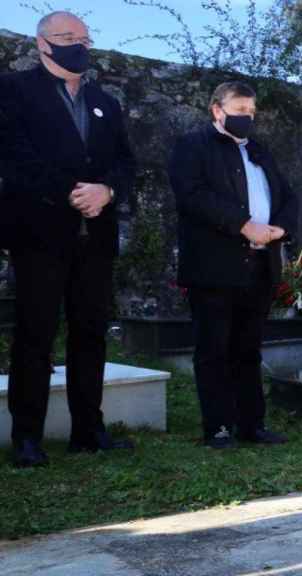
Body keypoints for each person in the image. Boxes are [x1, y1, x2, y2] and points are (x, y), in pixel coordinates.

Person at [0, 11, 136, 467]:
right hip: (39, 234)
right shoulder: (14, 91)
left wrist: (107, 191)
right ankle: (27, 437)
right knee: (35, 335)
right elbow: (14, 156)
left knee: (91, 334)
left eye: (85, 37)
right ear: (42, 44)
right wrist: (71, 193)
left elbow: (126, 163)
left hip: (94, 238)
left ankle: (88, 430)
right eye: (67, 37)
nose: (79, 44)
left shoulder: (106, 102)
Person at [168, 81, 298, 449]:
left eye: (251, 112)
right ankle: (218, 427)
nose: (247, 118)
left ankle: (251, 424)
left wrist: (280, 228)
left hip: (259, 263)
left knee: (248, 348)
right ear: (217, 110)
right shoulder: (192, 146)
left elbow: (288, 195)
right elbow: (192, 196)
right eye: (239, 111)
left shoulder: (260, 151)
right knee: (213, 349)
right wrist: (243, 224)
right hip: (213, 266)